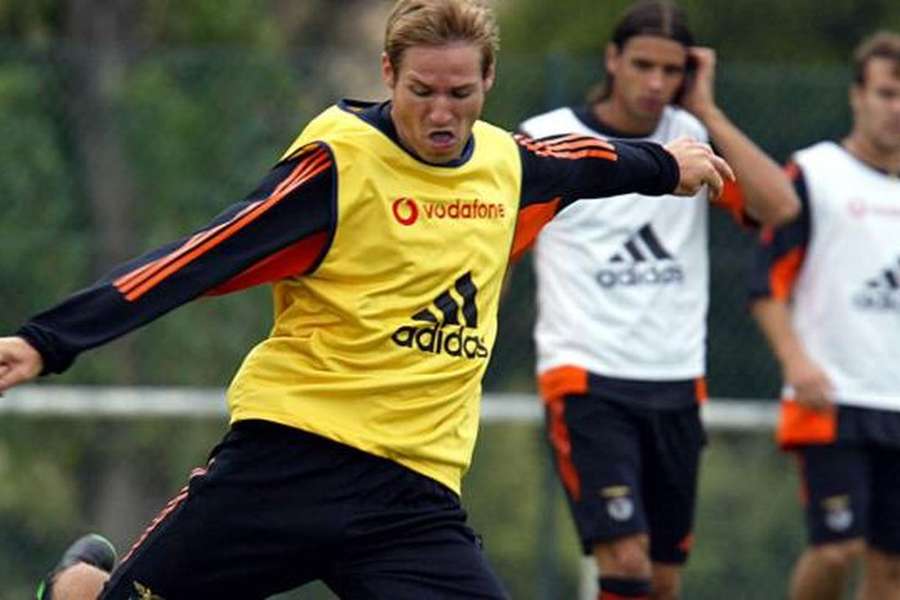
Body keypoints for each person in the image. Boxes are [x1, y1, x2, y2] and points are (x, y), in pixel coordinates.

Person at [0, 1, 733, 599]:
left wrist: (666, 164)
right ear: (388, 74)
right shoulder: (336, 167)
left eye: (461, 93)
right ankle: (76, 589)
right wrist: (48, 340)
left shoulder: (507, 162)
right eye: (421, 92)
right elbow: (197, 257)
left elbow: (586, 162)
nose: (442, 114)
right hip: (288, 463)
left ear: (488, 82)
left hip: (410, 497)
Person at [517, 2, 800, 599]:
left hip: (675, 381)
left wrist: (707, 110)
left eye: (671, 71)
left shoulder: (692, 135)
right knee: (625, 562)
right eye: (641, 64)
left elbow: (779, 208)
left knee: (663, 580)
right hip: (586, 379)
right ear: (612, 59)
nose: (654, 83)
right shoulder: (547, 138)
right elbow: (493, 235)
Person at [749, 31, 900, 600]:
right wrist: (796, 363)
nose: (896, 108)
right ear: (857, 96)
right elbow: (765, 283)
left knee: (890, 570)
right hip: (832, 398)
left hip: (896, 397)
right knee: (837, 549)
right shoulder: (815, 174)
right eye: (886, 93)